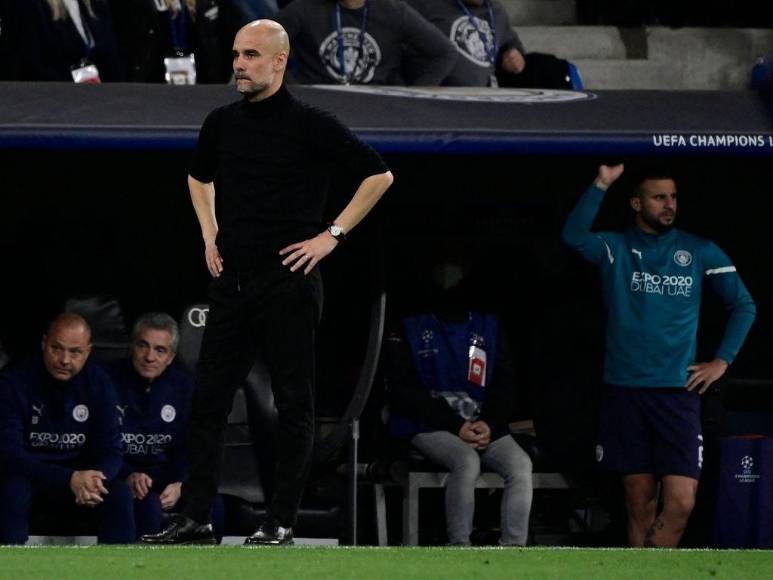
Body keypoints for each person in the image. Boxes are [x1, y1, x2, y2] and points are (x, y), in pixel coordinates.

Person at [141, 19, 393, 546]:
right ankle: (196, 517)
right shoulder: (221, 122)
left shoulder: (311, 124)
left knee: (292, 404)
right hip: (232, 281)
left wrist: (332, 236)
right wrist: (210, 235)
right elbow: (197, 176)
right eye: (236, 54)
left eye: (251, 55)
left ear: (279, 62)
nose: (238, 64)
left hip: (290, 281)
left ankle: (280, 520)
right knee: (208, 400)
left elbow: (378, 175)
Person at [562, 164, 756, 548]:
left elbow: (744, 305)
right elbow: (573, 237)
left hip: (676, 392)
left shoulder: (699, 249)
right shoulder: (616, 248)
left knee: (681, 500)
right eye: (659, 197)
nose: (669, 205)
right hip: (624, 391)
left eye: (673, 197)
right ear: (637, 203)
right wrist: (602, 184)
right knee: (639, 499)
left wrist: (722, 361)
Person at [386, 260, 533, 546]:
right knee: (466, 462)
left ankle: (514, 547)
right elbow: (405, 392)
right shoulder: (411, 325)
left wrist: (489, 422)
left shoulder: (488, 326)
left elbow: (505, 384)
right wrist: (455, 426)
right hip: (430, 425)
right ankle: (459, 546)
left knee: (520, 465)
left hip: (481, 424)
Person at [0, 313, 134, 544]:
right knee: (12, 488)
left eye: (75, 352)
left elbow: (112, 450)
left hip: (80, 484)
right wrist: (68, 478)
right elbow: (10, 455)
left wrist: (95, 481)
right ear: (44, 343)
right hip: (33, 478)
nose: (64, 360)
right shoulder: (13, 381)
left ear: (88, 352)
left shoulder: (98, 382)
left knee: (119, 494)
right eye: (56, 348)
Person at [107, 312, 223, 540]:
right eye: (143, 346)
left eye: (160, 350)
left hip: (166, 478)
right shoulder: (107, 381)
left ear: (171, 357)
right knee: (147, 504)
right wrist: (127, 475)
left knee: (213, 505)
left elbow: (192, 448)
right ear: (132, 346)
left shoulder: (184, 387)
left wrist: (181, 484)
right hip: (122, 477)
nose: (150, 357)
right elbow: (99, 445)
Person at [275, 0, 458, 85]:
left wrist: (417, 94)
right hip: (320, 104)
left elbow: (444, 52)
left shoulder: (394, 10)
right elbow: (259, 47)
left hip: (375, 106)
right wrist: (295, 89)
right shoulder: (303, 8)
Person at [406, 0, 524, 87]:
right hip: (432, 97)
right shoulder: (424, 4)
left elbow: (513, 45)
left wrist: (515, 56)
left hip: (480, 101)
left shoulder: (496, 11)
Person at [14, 0, 123, 81]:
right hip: (60, 100)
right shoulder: (31, 6)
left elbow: (112, 57)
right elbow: (34, 65)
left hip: (103, 98)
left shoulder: (95, 5)